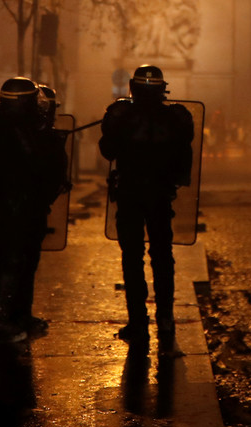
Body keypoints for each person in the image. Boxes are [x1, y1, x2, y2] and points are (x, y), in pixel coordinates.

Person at [99, 65, 193, 347]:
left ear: (133, 87)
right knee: (163, 256)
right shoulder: (177, 118)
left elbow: (107, 151)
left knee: (132, 257)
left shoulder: (121, 115)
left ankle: (138, 323)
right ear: (162, 88)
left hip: (130, 194)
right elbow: (184, 154)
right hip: (161, 196)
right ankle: (165, 318)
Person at [0, 77, 67, 343]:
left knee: (18, 262)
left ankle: (16, 316)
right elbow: (33, 164)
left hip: (8, 206)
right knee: (10, 263)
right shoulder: (14, 128)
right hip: (14, 207)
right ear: (24, 102)